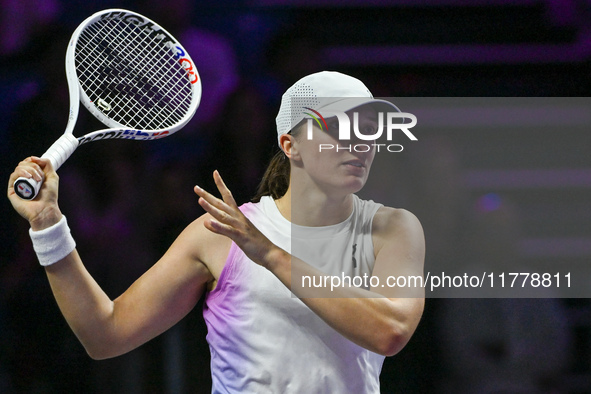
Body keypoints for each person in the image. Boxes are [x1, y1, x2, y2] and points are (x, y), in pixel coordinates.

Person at [7, 71, 425, 393]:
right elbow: (106, 334)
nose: (360, 142)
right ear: (290, 144)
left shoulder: (391, 229)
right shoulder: (219, 235)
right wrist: (48, 226)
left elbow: (390, 331)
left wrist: (272, 254)